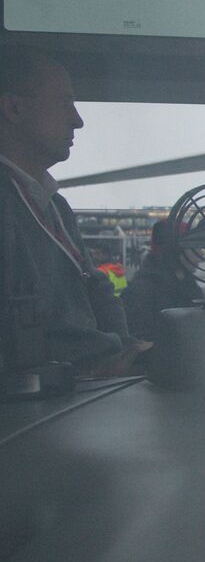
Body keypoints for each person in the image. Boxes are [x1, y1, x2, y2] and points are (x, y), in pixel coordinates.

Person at [0, 46, 148, 373]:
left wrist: (124, 350)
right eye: (64, 102)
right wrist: (97, 368)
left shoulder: (55, 206)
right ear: (13, 107)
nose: (77, 120)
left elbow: (97, 289)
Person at [121, 219, 203, 342]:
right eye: (194, 248)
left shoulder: (184, 284)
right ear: (175, 251)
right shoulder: (143, 292)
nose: (200, 255)